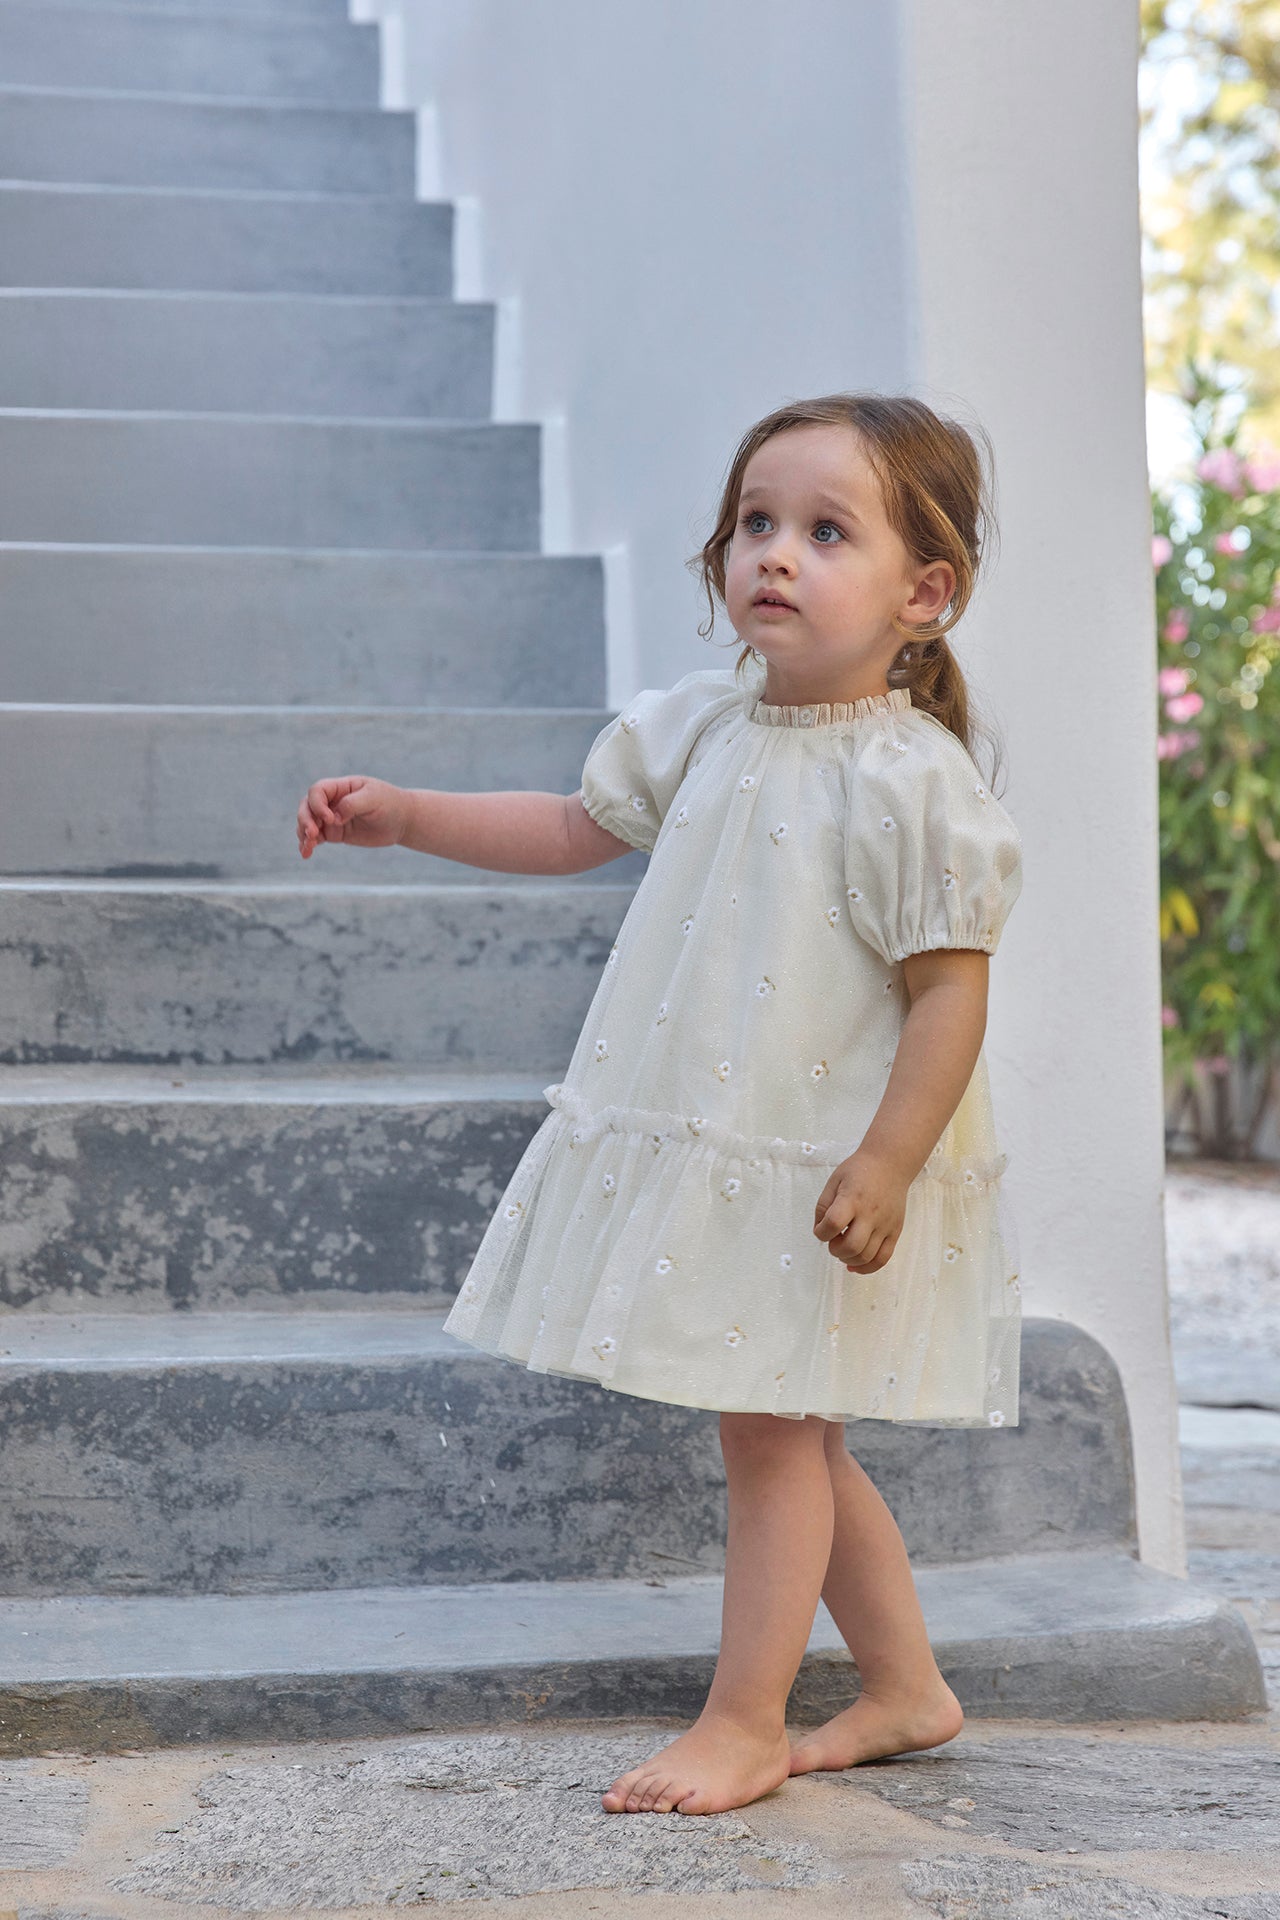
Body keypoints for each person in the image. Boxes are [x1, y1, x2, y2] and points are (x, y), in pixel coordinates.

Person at [296, 390, 1025, 1821]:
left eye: (826, 531)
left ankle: (747, 1718)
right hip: (724, 1134)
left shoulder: (909, 782)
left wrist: (888, 1160)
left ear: (923, 594)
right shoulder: (702, 724)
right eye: (757, 522)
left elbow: (952, 995)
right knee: (789, 1431)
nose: (775, 552)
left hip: (823, 1159)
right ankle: (906, 1689)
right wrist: (410, 815)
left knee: (769, 1432)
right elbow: (573, 829)